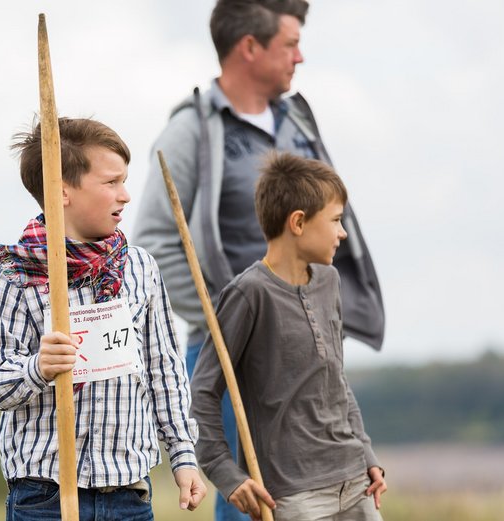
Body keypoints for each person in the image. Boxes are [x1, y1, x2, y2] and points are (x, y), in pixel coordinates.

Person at [134, 1, 384, 518]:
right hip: (232, 350)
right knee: (252, 498)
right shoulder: (190, 131)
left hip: (302, 343)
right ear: (249, 47)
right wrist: (230, 327)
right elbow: (156, 238)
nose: (300, 57)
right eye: (289, 44)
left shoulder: (297, 121)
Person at [0, 117, 207, 520]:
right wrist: (38, 367)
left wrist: (183, 456)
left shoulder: (138, 269)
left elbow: (163, 370)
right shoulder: (17, 275)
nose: (126, 195)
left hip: (128, 493)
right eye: (112, 182)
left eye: (125, 180)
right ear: (62, 192)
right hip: (45, 494)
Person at [191, 152, 387, 521]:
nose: (342, 232)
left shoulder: (330, 282)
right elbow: (203, 392)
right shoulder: (248, 294)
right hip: (294, 497)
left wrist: (367, 454)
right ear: (298, 222)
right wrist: (226, 474)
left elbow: (337, 382)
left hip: (355, 480)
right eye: (335, 220)